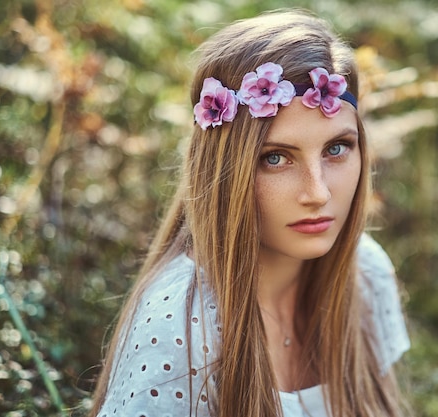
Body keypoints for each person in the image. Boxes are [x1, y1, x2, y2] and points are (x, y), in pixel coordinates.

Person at [90, 9, 410, 417]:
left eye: (336, 149)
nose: (318, 192)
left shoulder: (365, 274)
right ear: (224, 169)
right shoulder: (180, 328)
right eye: (275, 158)